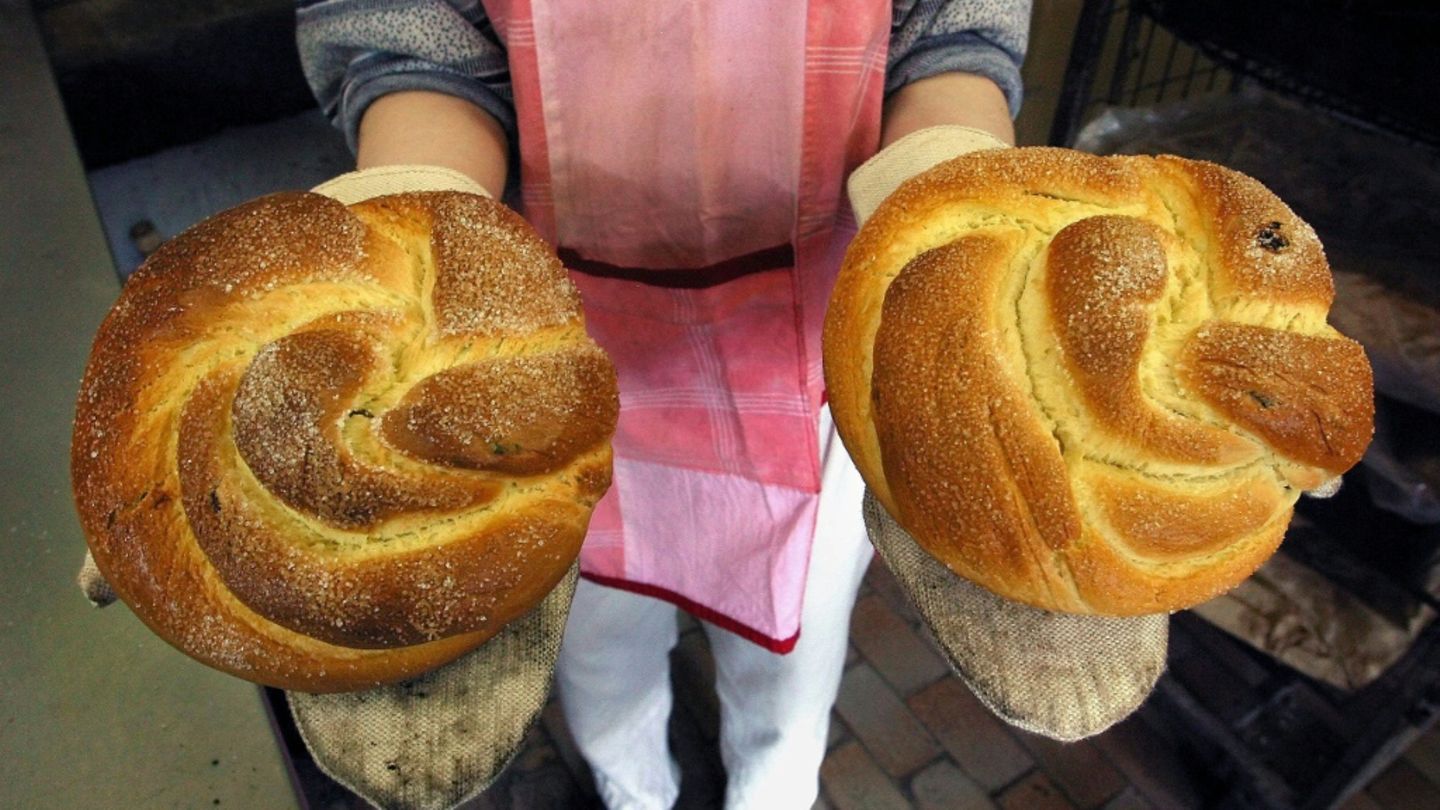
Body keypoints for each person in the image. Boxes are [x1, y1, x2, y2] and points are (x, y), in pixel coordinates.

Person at [297, 2, 1029, 807]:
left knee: (791, 674)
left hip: (815, 358)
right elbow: (410, 43)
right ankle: (633, 791)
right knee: (600, 658)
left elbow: (950, 41)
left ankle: (771, 795)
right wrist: (413, 225)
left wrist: (963, 231)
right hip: (532, 368)